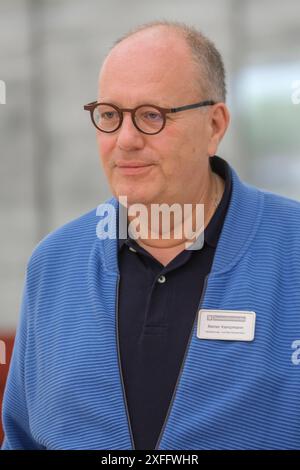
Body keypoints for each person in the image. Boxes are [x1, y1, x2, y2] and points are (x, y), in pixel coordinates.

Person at [2, 20, 300, 451]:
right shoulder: (54, 264)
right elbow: (23, 440)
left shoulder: (290, 251)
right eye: (109, 115)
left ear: (214, 126)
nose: (125, 140)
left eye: (151, 116)